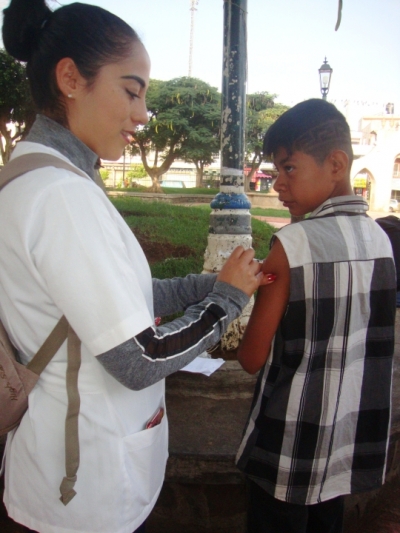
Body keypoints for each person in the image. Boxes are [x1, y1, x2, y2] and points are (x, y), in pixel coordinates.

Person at [0, 1, 273, 532]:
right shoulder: (61, 197)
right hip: (84, 489)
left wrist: (204, 285)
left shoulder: (36, 177)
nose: (144, 114)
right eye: (131, 90)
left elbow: (121, 297)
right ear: (71, 78)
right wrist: (226, 302)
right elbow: (139, 359)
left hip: (60, 464)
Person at [235, 99, 396, 533]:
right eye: (275, 172)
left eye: (289, 169)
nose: (277, 185)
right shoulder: (382, 242)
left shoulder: (290, 247)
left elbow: (251, 358)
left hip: (288, 446)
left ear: (337, 164)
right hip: (344, 442)